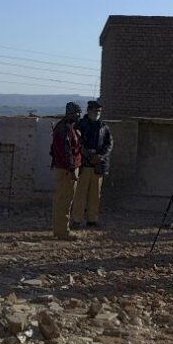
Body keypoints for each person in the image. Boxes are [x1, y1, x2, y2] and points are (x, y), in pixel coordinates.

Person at [71, 100, 113, 228]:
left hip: (97, 166)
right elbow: (77, 143)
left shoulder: (104, 127)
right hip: (84, 165)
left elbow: (109, 144)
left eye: (99, 111)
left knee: (95, 195)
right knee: (80, 194)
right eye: (95, 110)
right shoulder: (80, 125)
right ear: (89, 110)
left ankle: (92, 219)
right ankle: (76, 219)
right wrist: (89, 155)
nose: (97, 113)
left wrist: (100, 156)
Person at [50, 102, 83, 240]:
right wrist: (71, 169)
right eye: (77, 113)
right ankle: (63, 231)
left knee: (62, 200)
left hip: (65, 168)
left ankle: (59, 229)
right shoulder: (64, 129)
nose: (79, 116)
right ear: (71, 113)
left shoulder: (68, 128)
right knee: (64, 200)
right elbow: (66, 151)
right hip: (66, 170)